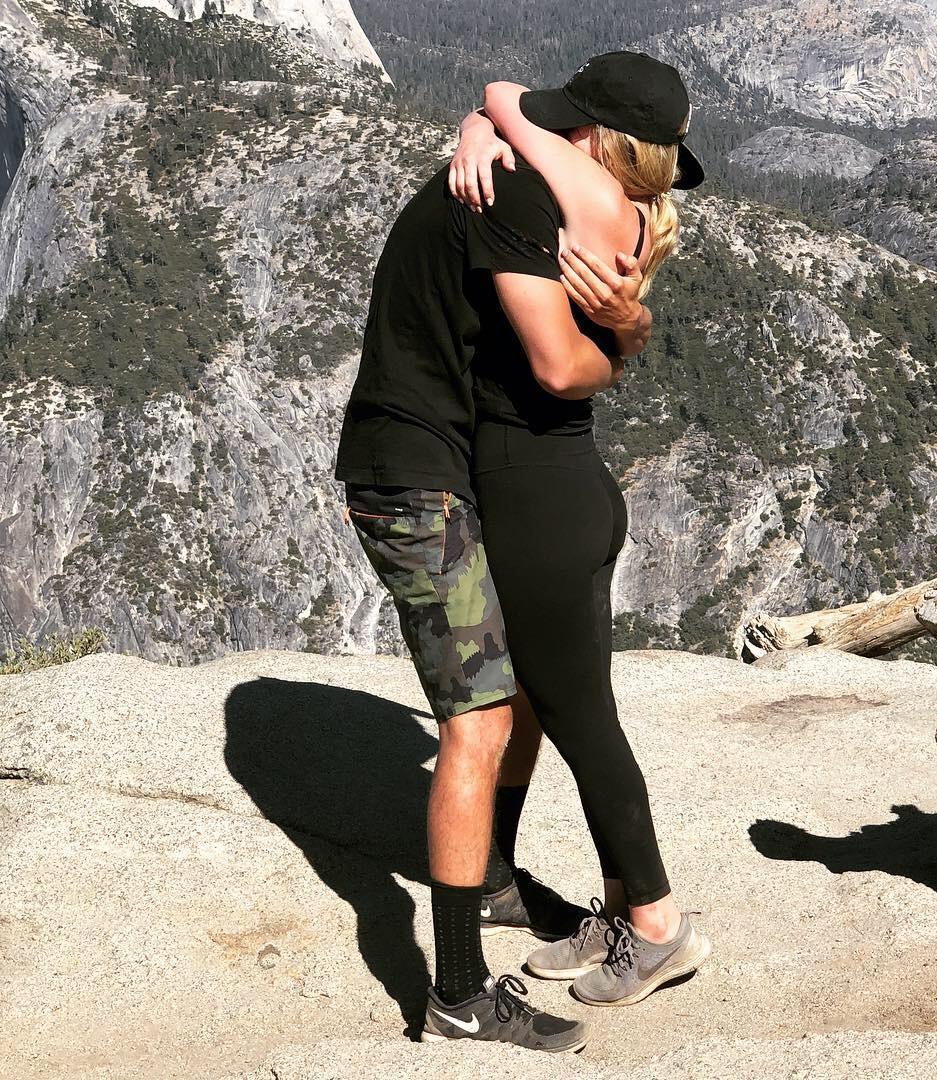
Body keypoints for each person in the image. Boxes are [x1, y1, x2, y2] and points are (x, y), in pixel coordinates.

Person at [334, 53, 670, 1053]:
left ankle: (490, 882)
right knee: (476, 720)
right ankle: (458, 992)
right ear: (600, 148)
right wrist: (630, 332)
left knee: (510, 693)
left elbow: (506, 104)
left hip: (440, 467)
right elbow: (565, 366)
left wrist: (490, 120)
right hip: (412, 474)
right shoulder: (520, 189)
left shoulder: (518, 176)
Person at [444, 51, 712, 1009]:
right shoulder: (633, 212)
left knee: (580, 719)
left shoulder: (581, 198)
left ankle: (656, 927)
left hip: (534, 492)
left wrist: (490, 125)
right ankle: (599, 906)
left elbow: (504, 99)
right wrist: (487, 132)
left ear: (600, 142)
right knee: (559, 704)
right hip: (573, 484)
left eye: (577, 129)